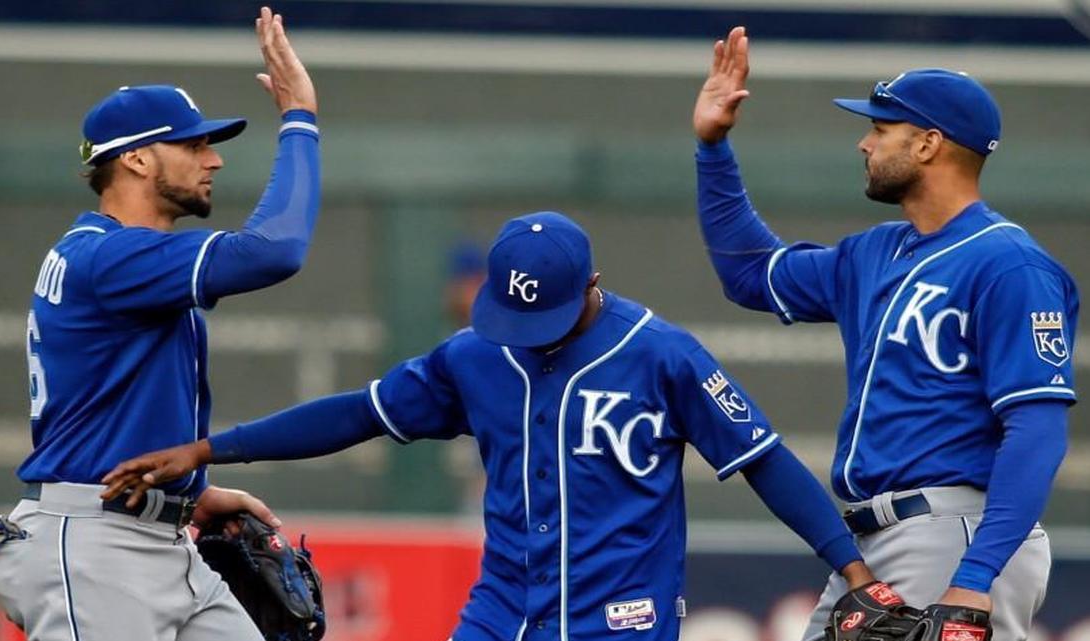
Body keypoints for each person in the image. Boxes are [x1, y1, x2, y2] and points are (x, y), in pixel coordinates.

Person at [102, 210, 883, 641]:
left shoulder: (663, 355)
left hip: (620, 624)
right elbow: (357, 413)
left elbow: (765, 459)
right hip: (500, 612)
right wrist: (211, 447)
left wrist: (852, 569)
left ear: (593, 286)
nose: (527, 327)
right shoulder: (476, 355)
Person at [692, 27, 1077, 641]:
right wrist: (713, 149)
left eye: (881, 128)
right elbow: (748, 274)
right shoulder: (876, 253)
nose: (864, 142)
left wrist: (974, 576)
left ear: (928, 144)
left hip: (956, 535)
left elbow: (1037, 430)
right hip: (877, 546)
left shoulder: (1010, 266)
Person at [0, 7, 321, 641]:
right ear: (134, 160)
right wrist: (300, 118)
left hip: (152, 535)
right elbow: (275, 250)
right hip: (96, 550)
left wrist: (193, 493)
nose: (211, 159)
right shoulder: (113, 259)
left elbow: (122, 398)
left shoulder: (110, 254)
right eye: (192, 144)